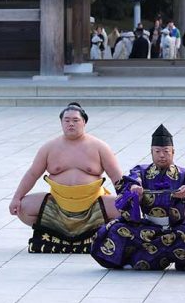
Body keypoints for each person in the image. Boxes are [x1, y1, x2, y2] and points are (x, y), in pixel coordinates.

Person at [91, 125, 185, 272]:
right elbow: (128, 184)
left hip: (179, 230)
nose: (162, 155)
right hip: (149, 231)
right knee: (116, 229)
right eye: (157, 151)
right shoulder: (141, 172)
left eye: (166, 151)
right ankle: (134, 259)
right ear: (151, 152)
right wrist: (134, 190)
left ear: (173, 152)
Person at [9, 102, 123, 253]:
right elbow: (32, 174)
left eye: (75, 120)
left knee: (124, 210)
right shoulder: (49, 147)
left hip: (93, 203)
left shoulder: (100, 147)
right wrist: (16, 197)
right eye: (67, 120)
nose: (71, 124)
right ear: (61, 123)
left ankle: (97, 233)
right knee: (23, 207)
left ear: (84, 122)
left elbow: (116, 175)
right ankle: (58, 233)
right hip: (58, 203)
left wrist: (125, 198)